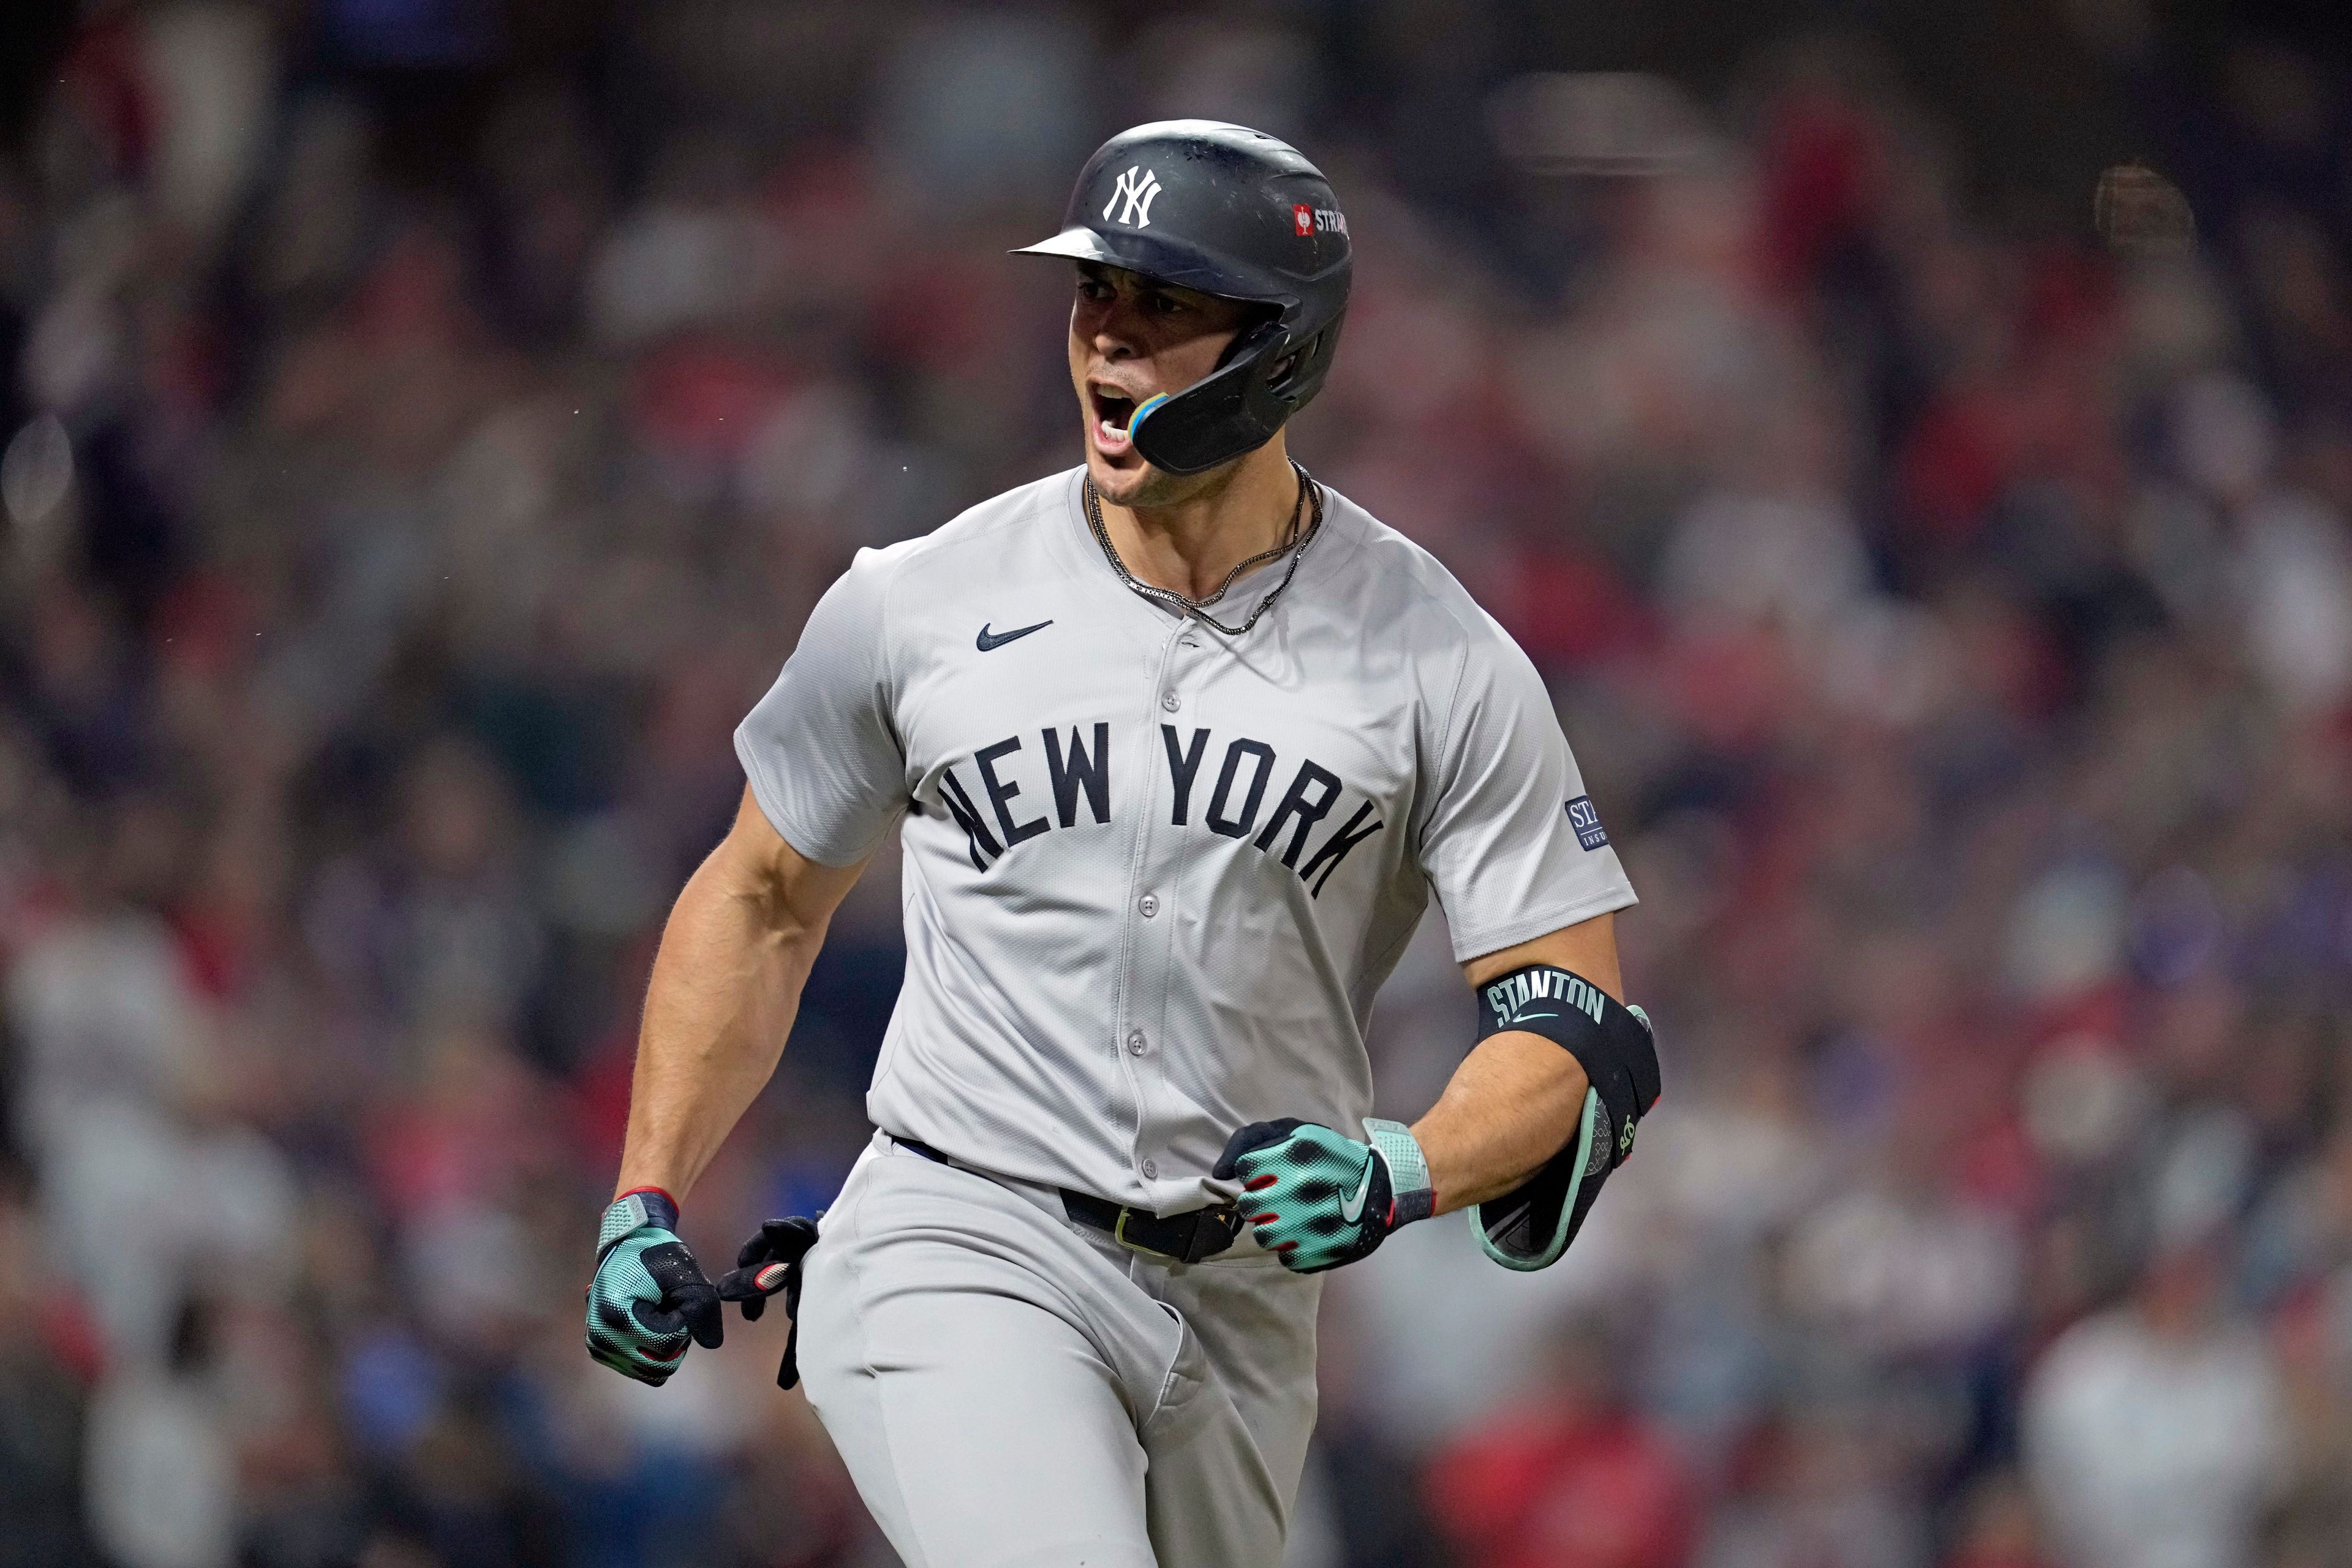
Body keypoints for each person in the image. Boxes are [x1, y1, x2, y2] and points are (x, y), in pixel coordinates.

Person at [582, 119, 1659, 1568]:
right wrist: (648, 1185)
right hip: (963, 1231)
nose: (1112, 338)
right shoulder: (921, 600)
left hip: (1246, 1302)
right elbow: (764, 894)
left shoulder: (1437, 656)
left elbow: (1574, 1028)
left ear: (1281, 348)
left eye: (1166, 304)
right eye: (1097, 293)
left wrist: (1405, 1162)